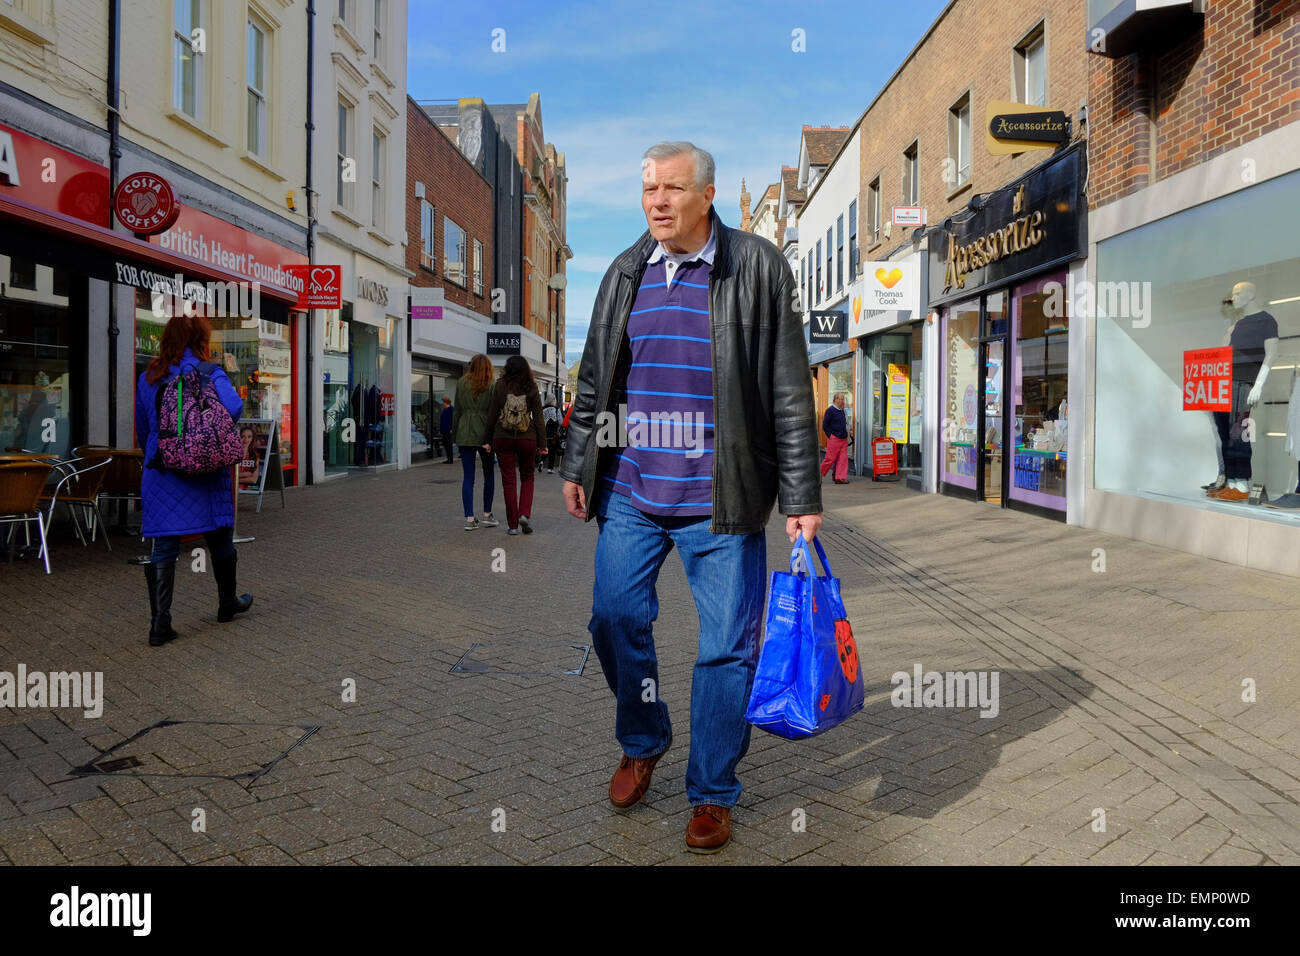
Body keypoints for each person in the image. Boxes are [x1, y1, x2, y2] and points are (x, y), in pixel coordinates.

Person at [560, 141, 821, 854]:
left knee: (725, 652)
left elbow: (790, 392)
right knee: (613, 617)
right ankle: (643, 737)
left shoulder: (759, 269)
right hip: (631, 491)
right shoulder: (622, 272)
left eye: (672, 189)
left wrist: (800, 494)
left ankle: (711, 791)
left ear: (706, 195)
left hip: (723, 496)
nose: (657, 201)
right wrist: (578, 467)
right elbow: (593, 386)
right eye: (648, 189)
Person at [134, 313, 253, 647]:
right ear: (201, 341)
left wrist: (159, 450)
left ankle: (160, 626)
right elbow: (234, 408)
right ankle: (227, 605)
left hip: (163, 466)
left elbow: (143, 427)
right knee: (218, 534)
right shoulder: (209, 371)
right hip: (207, 467)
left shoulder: (150, 376)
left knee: (165, 543)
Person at [485, 355, 547, 535]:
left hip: (502, 438)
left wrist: (487, 440)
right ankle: (524, 515)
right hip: (527, 437)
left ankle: (512, 525)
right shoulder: (531, 387)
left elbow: (492, 414)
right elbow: (539, 417)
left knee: (508, 481)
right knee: (528, 477)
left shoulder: (499, 385)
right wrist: (543, 443)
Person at [452, 354, 499, 530]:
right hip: (485, 434)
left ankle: (470, 519)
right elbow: (494, 413)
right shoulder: (492, 385)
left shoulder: (461, 383)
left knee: (468, 478)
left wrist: (455, 434)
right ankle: (487, 514)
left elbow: (457, 411)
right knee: (489, 474)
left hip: (464, 433)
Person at [821, 392, 851, 484]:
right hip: (834, 438)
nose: (842, 401)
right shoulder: (830, 410)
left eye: (843, 399)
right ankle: (817, 475)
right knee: (830, 458)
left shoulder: (842, 410)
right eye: (841, 399)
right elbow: (825, 425)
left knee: (843, 459)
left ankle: (840, 478)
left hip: (843, 439)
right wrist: (831, 436)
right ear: (836, 399)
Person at [439, 396, 455, 463]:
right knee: (445, 444)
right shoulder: (444, 410)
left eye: (443, 402)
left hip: (449, 430)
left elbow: (453, 420)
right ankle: (448, 458)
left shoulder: (451, 409)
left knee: (448, 445)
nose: (443, 403)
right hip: (444, 430)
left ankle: (450, 459)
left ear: (446, 402)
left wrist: (452, 428)